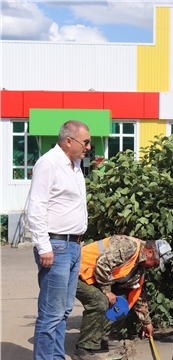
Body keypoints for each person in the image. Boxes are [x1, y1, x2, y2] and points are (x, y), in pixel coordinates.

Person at [27, 120, 91, 360]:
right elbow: (36, 206)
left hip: (72, 245)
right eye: (85, 142)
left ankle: (55, 357)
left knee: (63, 311)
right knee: (51, 312)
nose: (88, 147)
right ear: (68, 141)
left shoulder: (74, 165)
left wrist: (78, 239)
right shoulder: (49, 163)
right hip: (55, 246)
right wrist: (44, 246)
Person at [74, 235, 173, 360]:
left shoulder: (139, 268)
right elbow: (102, 265)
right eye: (155, 263)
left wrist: (147, 322)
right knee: (99, 301)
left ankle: (97, 338)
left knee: (121, 303)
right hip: (77, 271)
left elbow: (137, 295)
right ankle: (84, 349)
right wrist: (107, 292)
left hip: (94, 278)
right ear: (149, 252)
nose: (154, 267)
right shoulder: (129, 246)